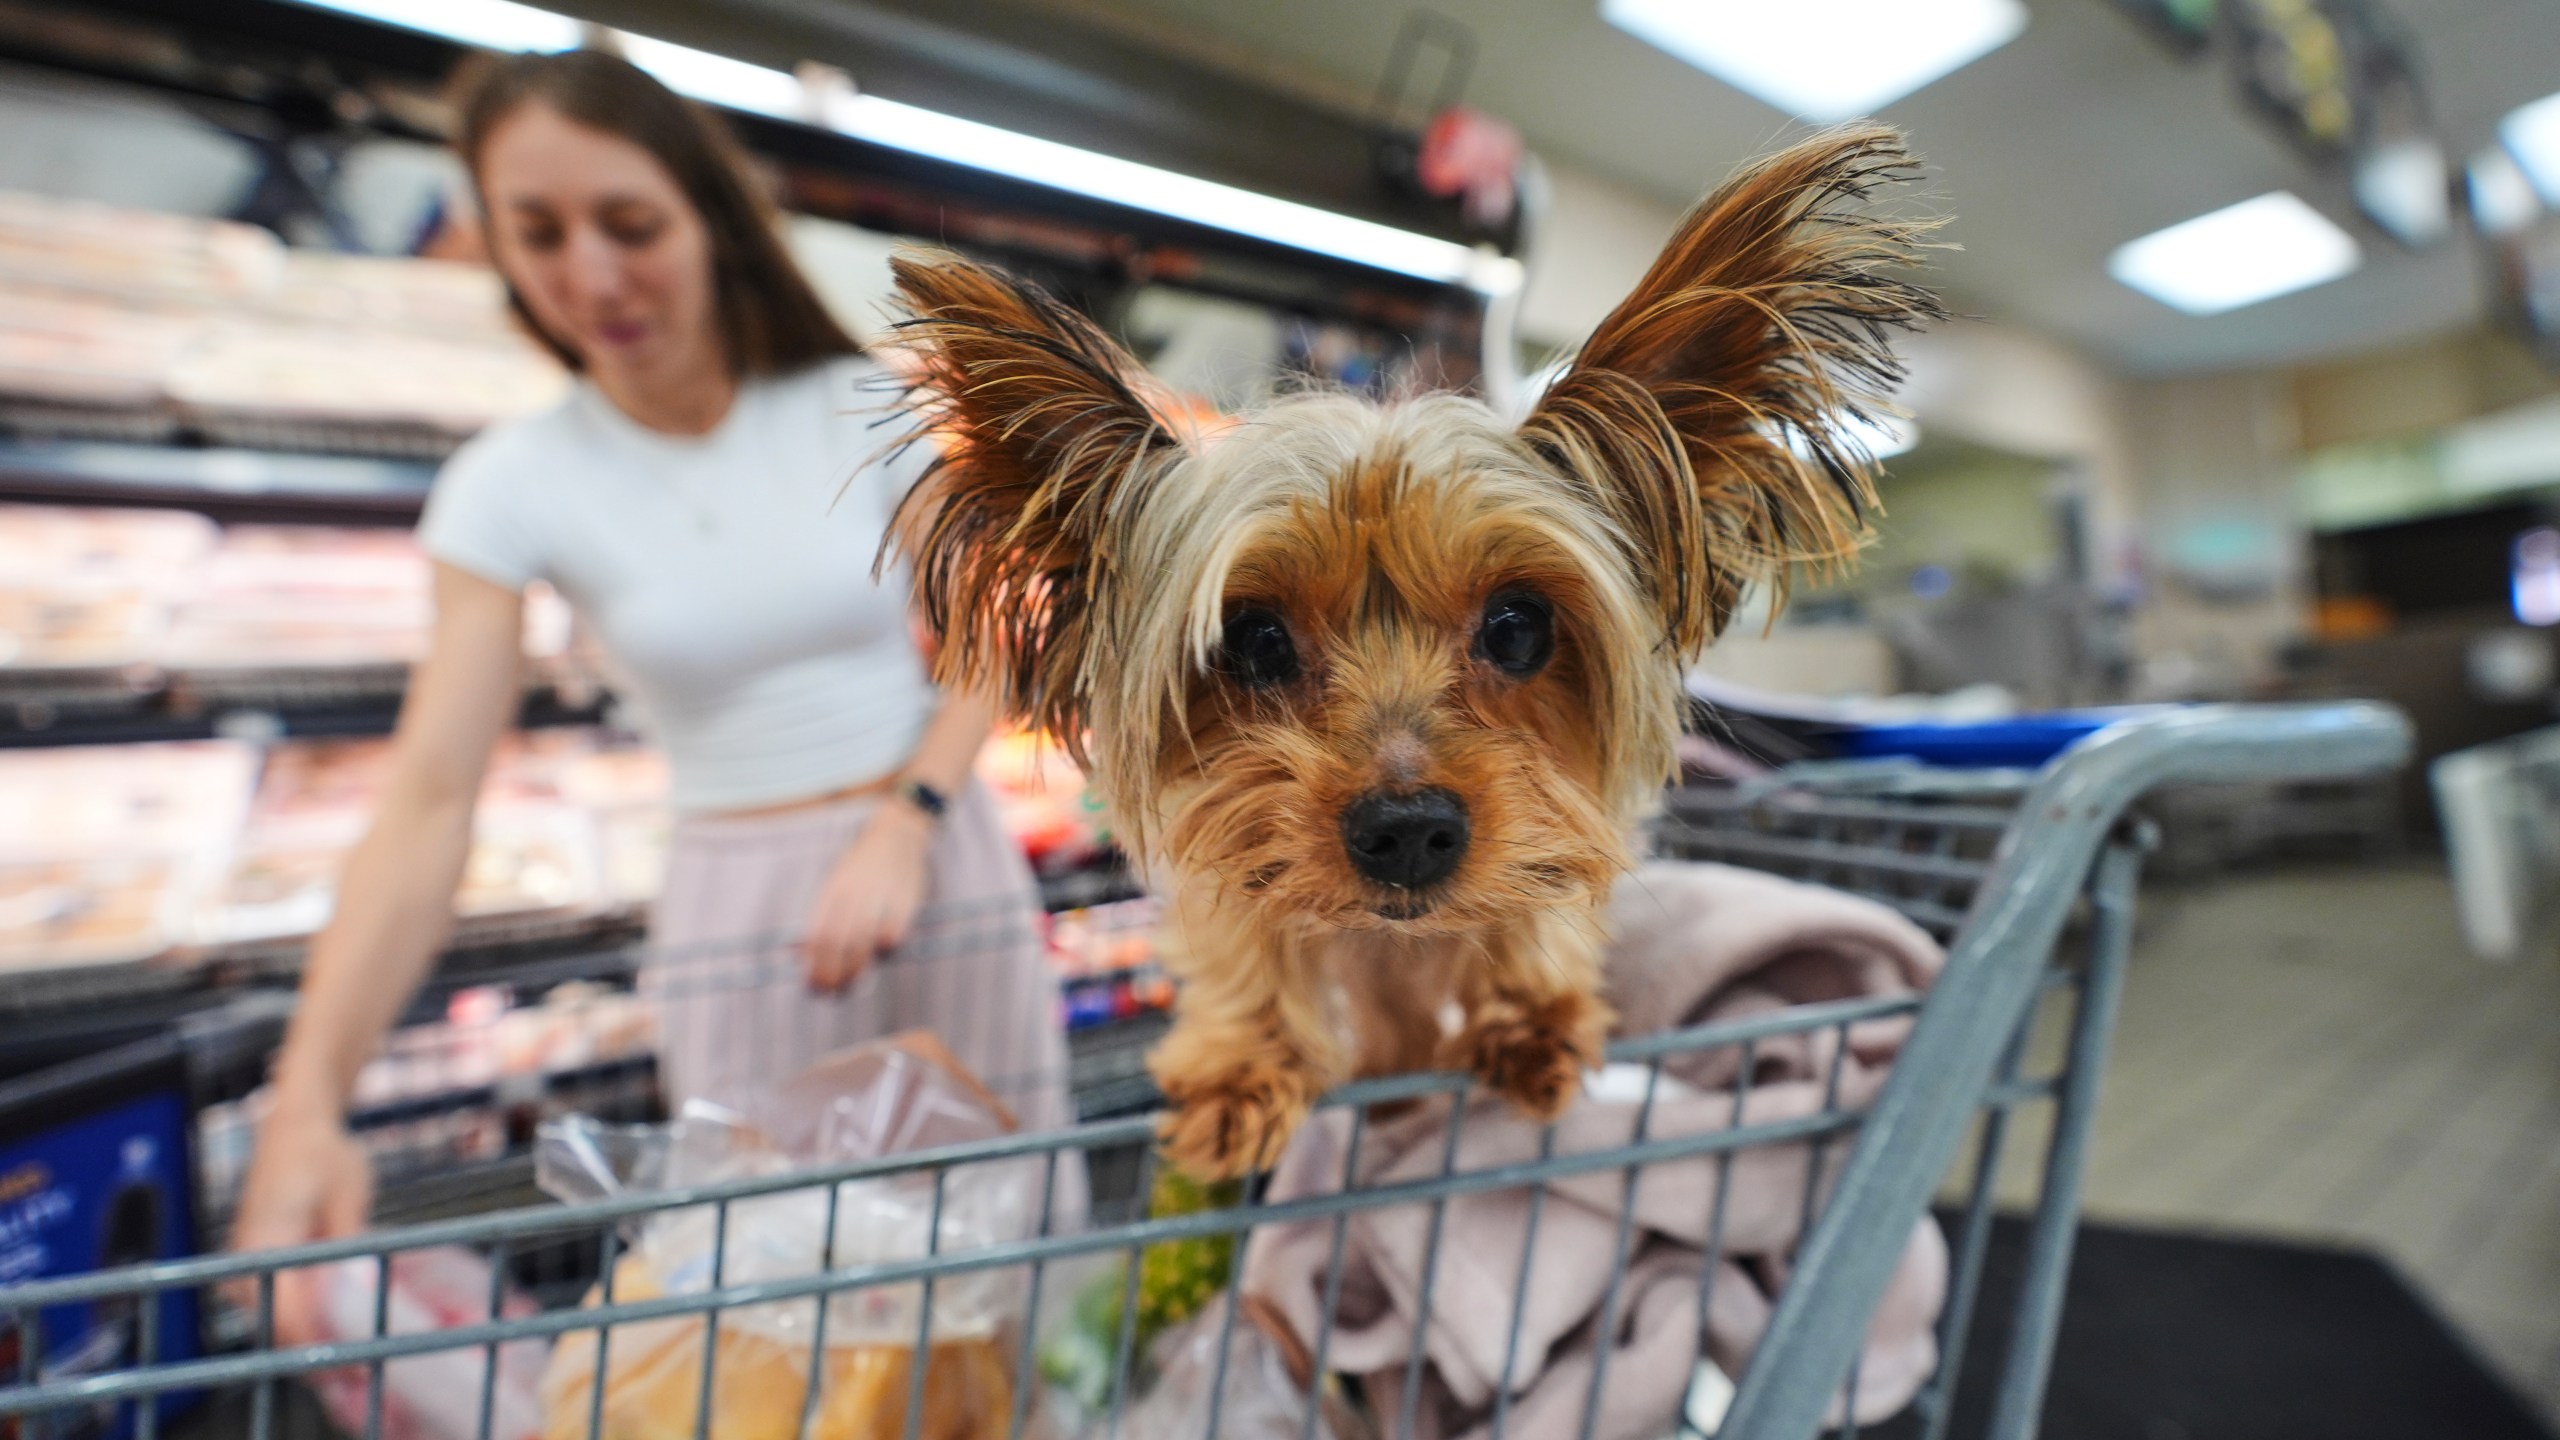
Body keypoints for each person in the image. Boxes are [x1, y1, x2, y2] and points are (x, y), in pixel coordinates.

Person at [229, 50, 1077, 1310]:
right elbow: (427, 801)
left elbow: (1002, 628)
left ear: (710, 220)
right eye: (540, 234)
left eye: (631, 225)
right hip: (743, 927)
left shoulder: (862, 409)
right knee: (780, 1302)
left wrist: (909, 819)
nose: (593, 276)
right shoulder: (512, 485)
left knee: (1006, 1269)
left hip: (938, 875)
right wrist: (306, 1104)